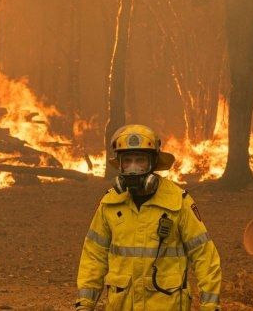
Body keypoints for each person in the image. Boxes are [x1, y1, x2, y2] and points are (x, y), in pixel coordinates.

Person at [74, 124, 222, 310]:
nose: (133, 168)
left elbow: (205, 257)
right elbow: (93, 258)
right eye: (127, 161)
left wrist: (210, 306)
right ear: (120, 164)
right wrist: (84, 305)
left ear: (153, 163)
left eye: (140, 160)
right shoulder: (109, 204)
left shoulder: (178, 202)